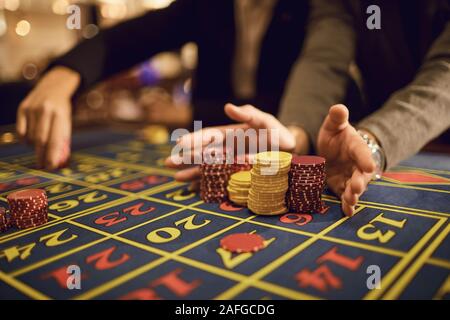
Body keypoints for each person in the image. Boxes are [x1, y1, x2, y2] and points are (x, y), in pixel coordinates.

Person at [168, 0, 450, 216]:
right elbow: (323, 59)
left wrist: (374, 138)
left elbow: (445, 71)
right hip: (377, 128)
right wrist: (296, 135)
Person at [16, 0, 320, 169]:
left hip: (284, 147)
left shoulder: (314, 9)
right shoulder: (208, 5)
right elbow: (122, 40)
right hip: (204, 156)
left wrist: (185, 113)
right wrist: (63, 75)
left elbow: (294, 104)